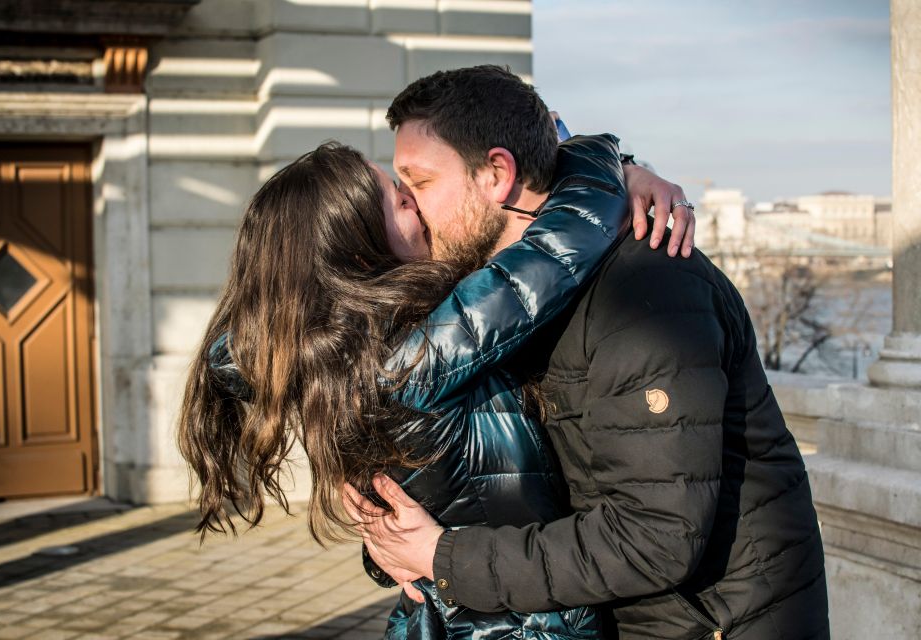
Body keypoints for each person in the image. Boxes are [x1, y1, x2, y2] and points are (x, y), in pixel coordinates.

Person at [347, 66, 830, 640]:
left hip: (715, 621)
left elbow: (657, 536)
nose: (413, 209)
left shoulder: (646, 293)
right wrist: (389, 534)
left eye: (420, 183)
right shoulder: (500, 302)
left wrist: (446, 560)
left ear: (496, 174)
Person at [176, 130, 692, 636]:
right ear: (360, 250)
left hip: (451, 611)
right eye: (402, 201)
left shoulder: (323, 364)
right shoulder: (423, 353)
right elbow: (562, 245)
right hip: (524, 623)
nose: (419, 210)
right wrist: (600, 157)